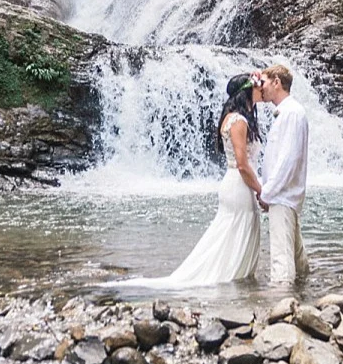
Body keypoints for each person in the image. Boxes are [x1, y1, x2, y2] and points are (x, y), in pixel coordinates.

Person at [115, 72, 264, 286]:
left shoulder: (232, 117)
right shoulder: (238, 121)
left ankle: (235, 281)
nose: (261, 89)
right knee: (233, 235)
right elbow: (242, 164)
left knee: (230, 235)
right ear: (247, 91)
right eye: (258, 86)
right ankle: (228, 281)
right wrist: (260, 189)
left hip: (236, 184)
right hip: (240, 185)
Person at [259, 63, 310, 282]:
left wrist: (266, 193)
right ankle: (303, 294)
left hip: (282, 195)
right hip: (284, 194)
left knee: (281, 258)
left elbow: (287, 160)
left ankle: (282, 302)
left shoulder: (292, 113)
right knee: (296, 258)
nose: (261, 88)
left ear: (277, 82)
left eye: (264, 82)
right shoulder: (290, 112)